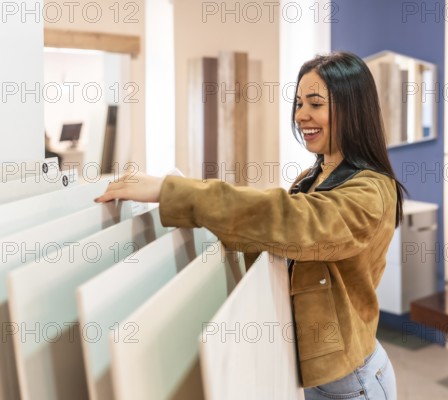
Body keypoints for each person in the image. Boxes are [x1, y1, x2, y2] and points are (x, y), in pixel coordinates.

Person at [95, 51, 404, 400]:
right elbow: (270, 237)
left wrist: (175, 192)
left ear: (353, 108)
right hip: (317, 375)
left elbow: (291, 221)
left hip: (352, 381)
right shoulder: (312, 177)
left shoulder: (372, 190)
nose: (301, 115)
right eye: (299, 103)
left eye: (315, 104)